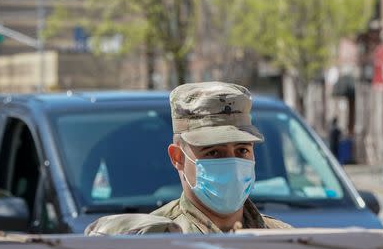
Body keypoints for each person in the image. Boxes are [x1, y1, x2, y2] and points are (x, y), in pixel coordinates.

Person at [86, 81, 290, 235]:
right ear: (178, 158)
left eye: (242, 150)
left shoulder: (284, 238)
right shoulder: (153, 239)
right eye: (213, 152)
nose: (233, 163)